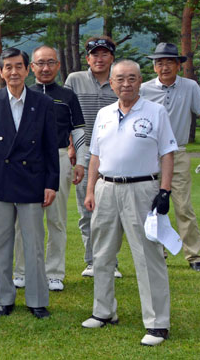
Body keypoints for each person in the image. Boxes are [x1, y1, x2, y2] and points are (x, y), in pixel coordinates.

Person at [81, 59, 176, 347]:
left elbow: (167, 153)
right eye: (120, 79)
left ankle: (157, 324)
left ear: (140, 81)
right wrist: (90, 191)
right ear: (111, 83)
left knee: (148, 256)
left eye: (132, 78)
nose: (126, 84)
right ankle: (103, 311)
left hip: (142, 189)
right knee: (102, 254)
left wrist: (165, 191)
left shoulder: (156, 111)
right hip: (106, 188)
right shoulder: (104, 114)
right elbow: (95, 156)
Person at [0, 47, 58, 319]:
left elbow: (50, 146)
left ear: (27, 70)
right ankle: (4, 298)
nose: (13, 72)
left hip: (32, 181)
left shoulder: (43, 103)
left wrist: (51, 183)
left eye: (18, 66)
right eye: (8, 67)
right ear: (1, 72)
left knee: (34, 244)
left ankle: (37, 300)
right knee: (2, 244)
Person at [11, 46, 86, 292]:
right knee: (24, 220)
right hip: (27, 162)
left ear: (58, 65)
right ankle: (22, 270)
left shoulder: (67, 96)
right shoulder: (24, 94)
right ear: (31, 67)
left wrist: (81, 162)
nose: (45, 68)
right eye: (40, 63)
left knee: (56, 219)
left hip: (60, 157)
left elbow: (78, 131)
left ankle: (54, 273)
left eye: (50, 62)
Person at [141, 42, 200, 272]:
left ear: (178, 65)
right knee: (152, 206)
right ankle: (158, 254)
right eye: (159, 63)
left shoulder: (190, 86)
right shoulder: (143, 89)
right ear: (154, 67)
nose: (164, 67)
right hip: (149, 154)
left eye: (169, 62)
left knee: (183, 206)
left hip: (177, 153)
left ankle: (195, 256)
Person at [65, 37, 122, 279]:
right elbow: (65, 115)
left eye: (104, 54)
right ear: (87, 58)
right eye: (94, 55)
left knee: (111, 211)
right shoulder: (74, 80)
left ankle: (110, 262)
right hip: (84, 149)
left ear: (112, 58)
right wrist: (71, 147)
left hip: (114, 151)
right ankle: (91, 261)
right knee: (86, 209)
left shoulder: (119, 81)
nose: (99, 59)